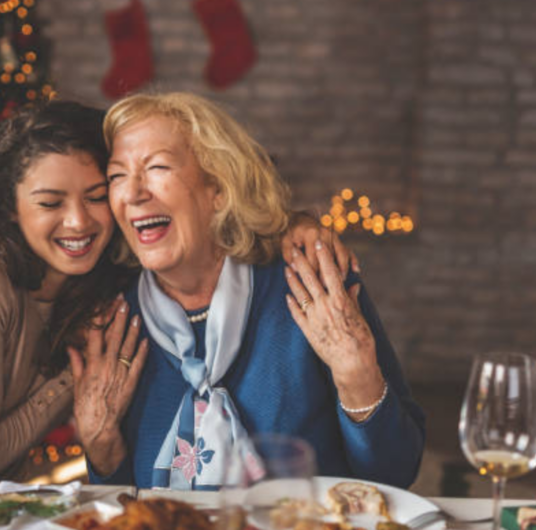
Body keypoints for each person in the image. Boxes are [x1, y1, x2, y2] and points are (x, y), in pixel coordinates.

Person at [0, 99, 350, 481]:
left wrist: (295, 225)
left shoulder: (101, 283)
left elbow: (212, 225)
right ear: (11, 208)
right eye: (50, 202)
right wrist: (68, 381)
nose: (78, 222)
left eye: (98, 195)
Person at [71, 92, 425, 490]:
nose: (133, 193)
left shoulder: (311, 282)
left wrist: (357, 376)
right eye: (117, 175)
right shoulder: (116, 318)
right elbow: (118, 503)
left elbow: (396, 474)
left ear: (219, 189)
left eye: (157, 167)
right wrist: (101, 446)